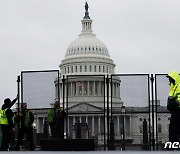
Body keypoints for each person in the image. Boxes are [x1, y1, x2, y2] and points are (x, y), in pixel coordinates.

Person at [166, 71, 180, 143]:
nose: (169, 79)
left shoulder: (179, 85)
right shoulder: (173, 86)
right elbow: (171, 97)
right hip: (175, 110)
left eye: (170, 78)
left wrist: (176, 102)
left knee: (174, 128)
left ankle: (174, 145)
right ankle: (174, 144)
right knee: (173, 128)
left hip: (178, 109)